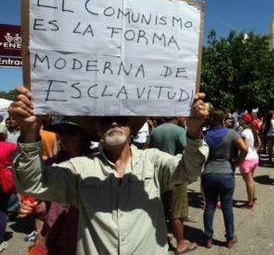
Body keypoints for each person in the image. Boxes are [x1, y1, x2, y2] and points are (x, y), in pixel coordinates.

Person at [10, 85, 209, 255]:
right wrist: (29, 132)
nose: (113, 122)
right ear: (97, 129)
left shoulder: (154, 161)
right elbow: (31, 183)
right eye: (105, 119)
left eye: (121, 118)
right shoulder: (80, 168)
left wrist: (194, 131)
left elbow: (190, 171)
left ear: (131, 126)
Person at [20, 117, 94, 254]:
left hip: (83, 235)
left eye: (72, 133)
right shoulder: (51, 165)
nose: (64, 138)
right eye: (62, 133)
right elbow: (45, 207)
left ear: (84, 136)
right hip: (54, 235)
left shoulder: (96, 165)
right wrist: (34, 207)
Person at [201, 108, 247, 249]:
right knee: (227, 207)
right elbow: (244, 149)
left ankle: (208, 239)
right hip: (226, 173)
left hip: (208, 173)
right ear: (222, 119)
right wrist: (237, 163)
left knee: (209, 206)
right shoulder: (231, 133)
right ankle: (230, 238)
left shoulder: (204, 134)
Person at [150, 117, 196, 254]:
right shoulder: (179, 131)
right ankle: (181, 243)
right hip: (176, 174)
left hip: (159, 174)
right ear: (176, 117)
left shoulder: (155, 131)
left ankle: (163, 238)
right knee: (177, 211)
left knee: (163, 209)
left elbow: (150, 149)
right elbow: (189, 150)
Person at [0, 124, 17, 253]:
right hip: (4, 180)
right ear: (5, 134)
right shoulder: (11, 146)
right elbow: (18, 163)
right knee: (2, 209)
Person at [239, 114, 260, 209]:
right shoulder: (252, 130)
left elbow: (245, 148)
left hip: (247, 159)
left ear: (243, 121)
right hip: (254, 157)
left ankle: (250, 202)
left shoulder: (245, 132)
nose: (239, 121)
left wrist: (239, 160)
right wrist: (254, 150)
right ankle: (253, 198)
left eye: (241, 120)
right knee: (251, 180)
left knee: (248, 182)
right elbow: (259, 143)